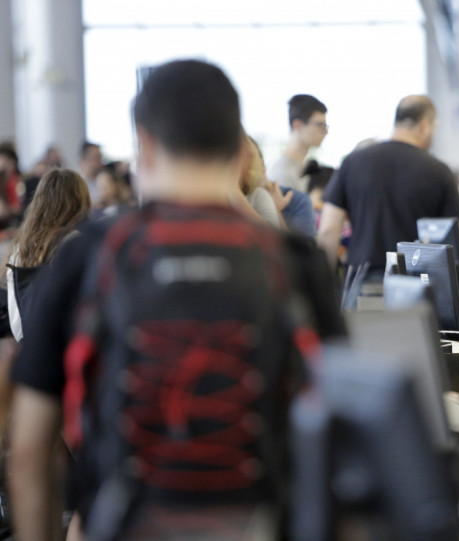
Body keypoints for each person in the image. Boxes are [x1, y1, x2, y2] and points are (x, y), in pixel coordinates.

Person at [8, 59, 330, 540]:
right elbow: (339, 439)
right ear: (239, 153)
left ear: (145, 145)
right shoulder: (294, 261)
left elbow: (31, 450)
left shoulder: (89, 255)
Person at [318, 95, 459, 272]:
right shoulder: (438, 170)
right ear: (424, 125)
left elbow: (328, 230)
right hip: (415, 286)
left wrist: (327, 284)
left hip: (362, 282)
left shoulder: (353, 162)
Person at [4, 168, 91, 342]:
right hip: (69, 345)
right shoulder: (77, 243)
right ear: (80, 201)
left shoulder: (21, 247)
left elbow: (16, 321)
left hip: (31, 346)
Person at [267, 94, 328, 193]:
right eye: (320, 125)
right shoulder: (282, 174)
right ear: (297, 125)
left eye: (325, 126)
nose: (325, 131)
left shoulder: (304, 170)